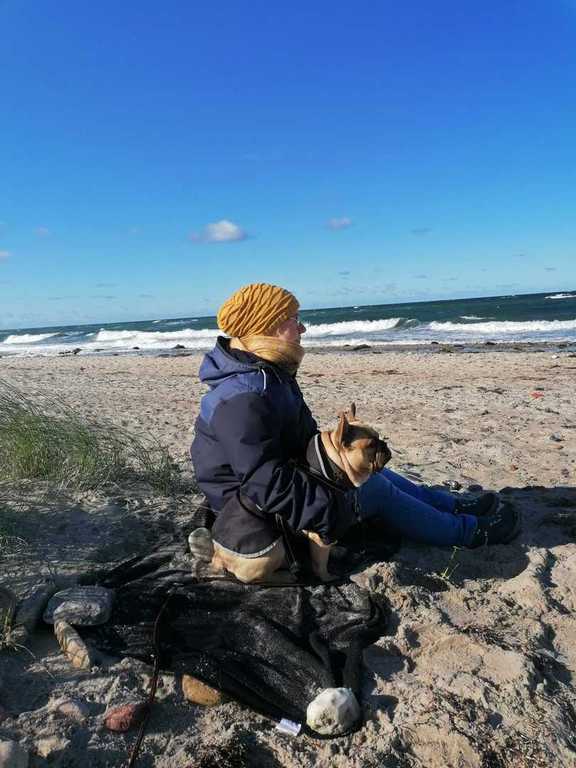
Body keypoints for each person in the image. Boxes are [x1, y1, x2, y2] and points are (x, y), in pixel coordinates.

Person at [190, 283, 520, 570]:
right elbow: (263, 481)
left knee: (371, 475)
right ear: (268, 325)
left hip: (278, 487)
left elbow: (299, 441)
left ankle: (451, 506)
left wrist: (341, 468)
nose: (302, 328)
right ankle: (467, 532)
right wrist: (328, 509)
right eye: (294, 319)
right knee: (372, 490)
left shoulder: (268, 373)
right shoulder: (244, 396)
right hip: (253, 514)